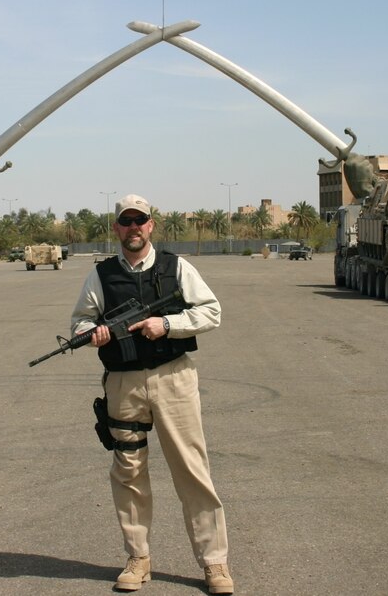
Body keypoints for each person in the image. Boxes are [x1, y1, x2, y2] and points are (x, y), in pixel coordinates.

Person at [70, 194, 233, 594]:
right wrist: (93, 335)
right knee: (128, 472)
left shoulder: (176, 267)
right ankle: (138, 558)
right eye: (125, 222)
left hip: (173, 378)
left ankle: (215, 564)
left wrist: (168, 324)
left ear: (151, 225)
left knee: (192, 471)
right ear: (116, 229)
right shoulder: (102, 275)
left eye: (139, 220)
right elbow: (79, 323)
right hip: (123, 383)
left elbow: (211, 311)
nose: (133, 228)